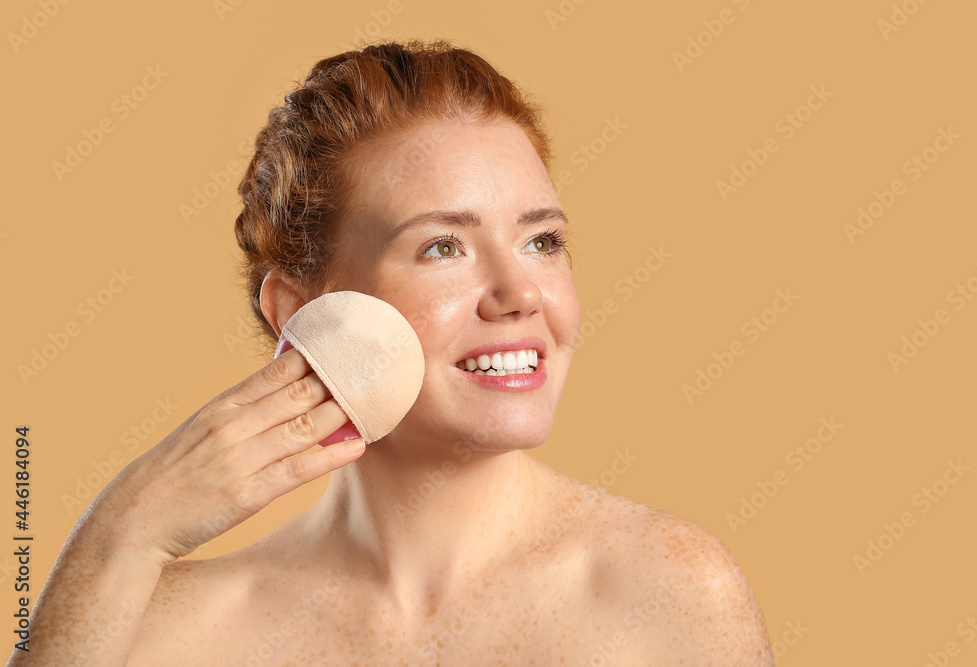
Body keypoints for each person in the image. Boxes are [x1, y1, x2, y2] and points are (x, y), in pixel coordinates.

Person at [10, 39, 773, 666]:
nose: (520, 292)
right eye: (443, 246)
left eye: (542, 240)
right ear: (302, 311)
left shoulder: (671, 594)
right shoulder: (166, 633)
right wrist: (119, 535)